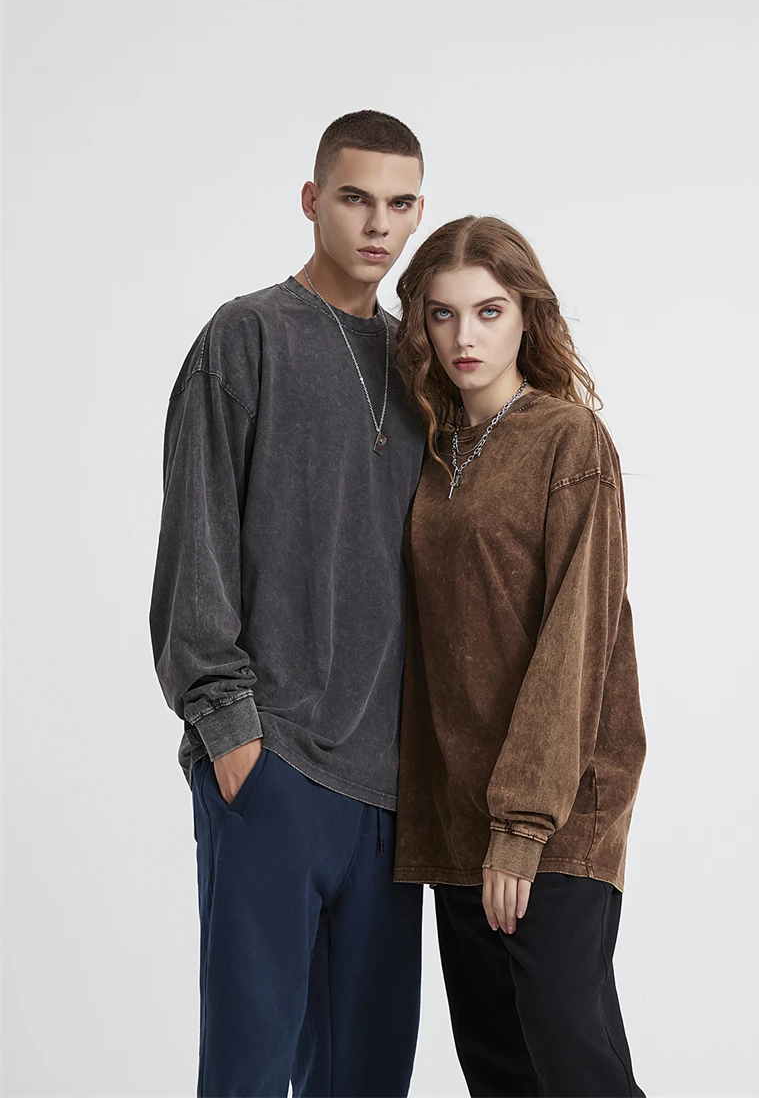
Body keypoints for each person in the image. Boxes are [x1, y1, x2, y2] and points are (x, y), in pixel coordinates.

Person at [149, 110, 427, 1098]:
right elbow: (196, 540)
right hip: (273, 768)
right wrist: (231, 737)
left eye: (399, 203)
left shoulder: (422, 366)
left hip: (393, 795)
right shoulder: (248, 336)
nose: (377, 224)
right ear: (311, 200)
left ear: (418, 212)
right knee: (249, 1073)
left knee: (367, 1076)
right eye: (354, 197)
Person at [392, 215, 648, 1098]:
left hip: (556, 813)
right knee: (500, 1072)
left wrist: (522, 826)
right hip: (455, 815)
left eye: (489, 311)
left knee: (574, 1062)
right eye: (443, 314)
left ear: (527, 316)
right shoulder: (431, 451)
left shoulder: (567, 440)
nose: (464, 336)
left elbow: (577, 635)